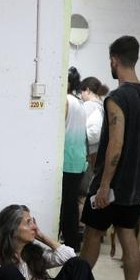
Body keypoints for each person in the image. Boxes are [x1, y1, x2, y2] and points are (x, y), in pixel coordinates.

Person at [79, 36, 140, 280]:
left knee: (92, 235)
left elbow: (116, 143)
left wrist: (104, 185)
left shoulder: (117, 97)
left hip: (113, 184)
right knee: (128, 235)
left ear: (114, 60)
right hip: (137, 185)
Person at [60, 67, 88, 252]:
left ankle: (69, 243)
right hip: (78, 159)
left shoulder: (65, 101)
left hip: (67, 159)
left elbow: (59, 128)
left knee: (66, 204)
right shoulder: (79, 102)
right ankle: (73, 242)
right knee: (71, 202)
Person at [80, 76, 109, 167]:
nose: (81, 96)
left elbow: (81, 130)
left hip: (89, 154)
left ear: (88, 90)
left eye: (81, 92)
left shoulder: (88, 105)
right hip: (100, 152)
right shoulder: (103, 106)